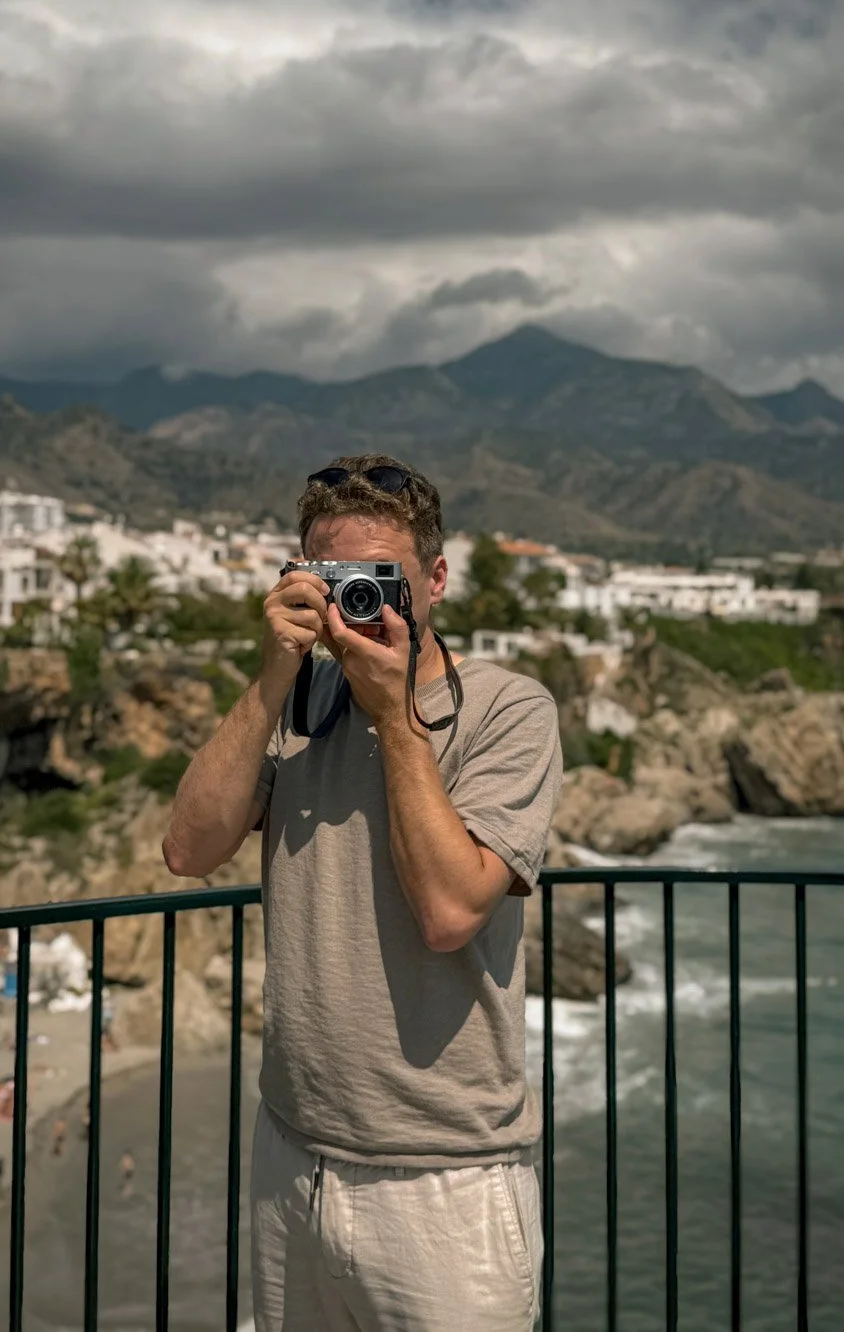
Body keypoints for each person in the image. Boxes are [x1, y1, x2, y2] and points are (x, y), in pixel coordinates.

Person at [163, 455, 563, 1331]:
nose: (362, 601)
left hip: (444, 1180)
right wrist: (274, 672)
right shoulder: (299, 706)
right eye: (334, 579)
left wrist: (393, 720)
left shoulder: (508, 710)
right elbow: (188, 849)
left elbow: (452, 912)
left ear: (438, 579)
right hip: (291, 1156)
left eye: (382, 579)